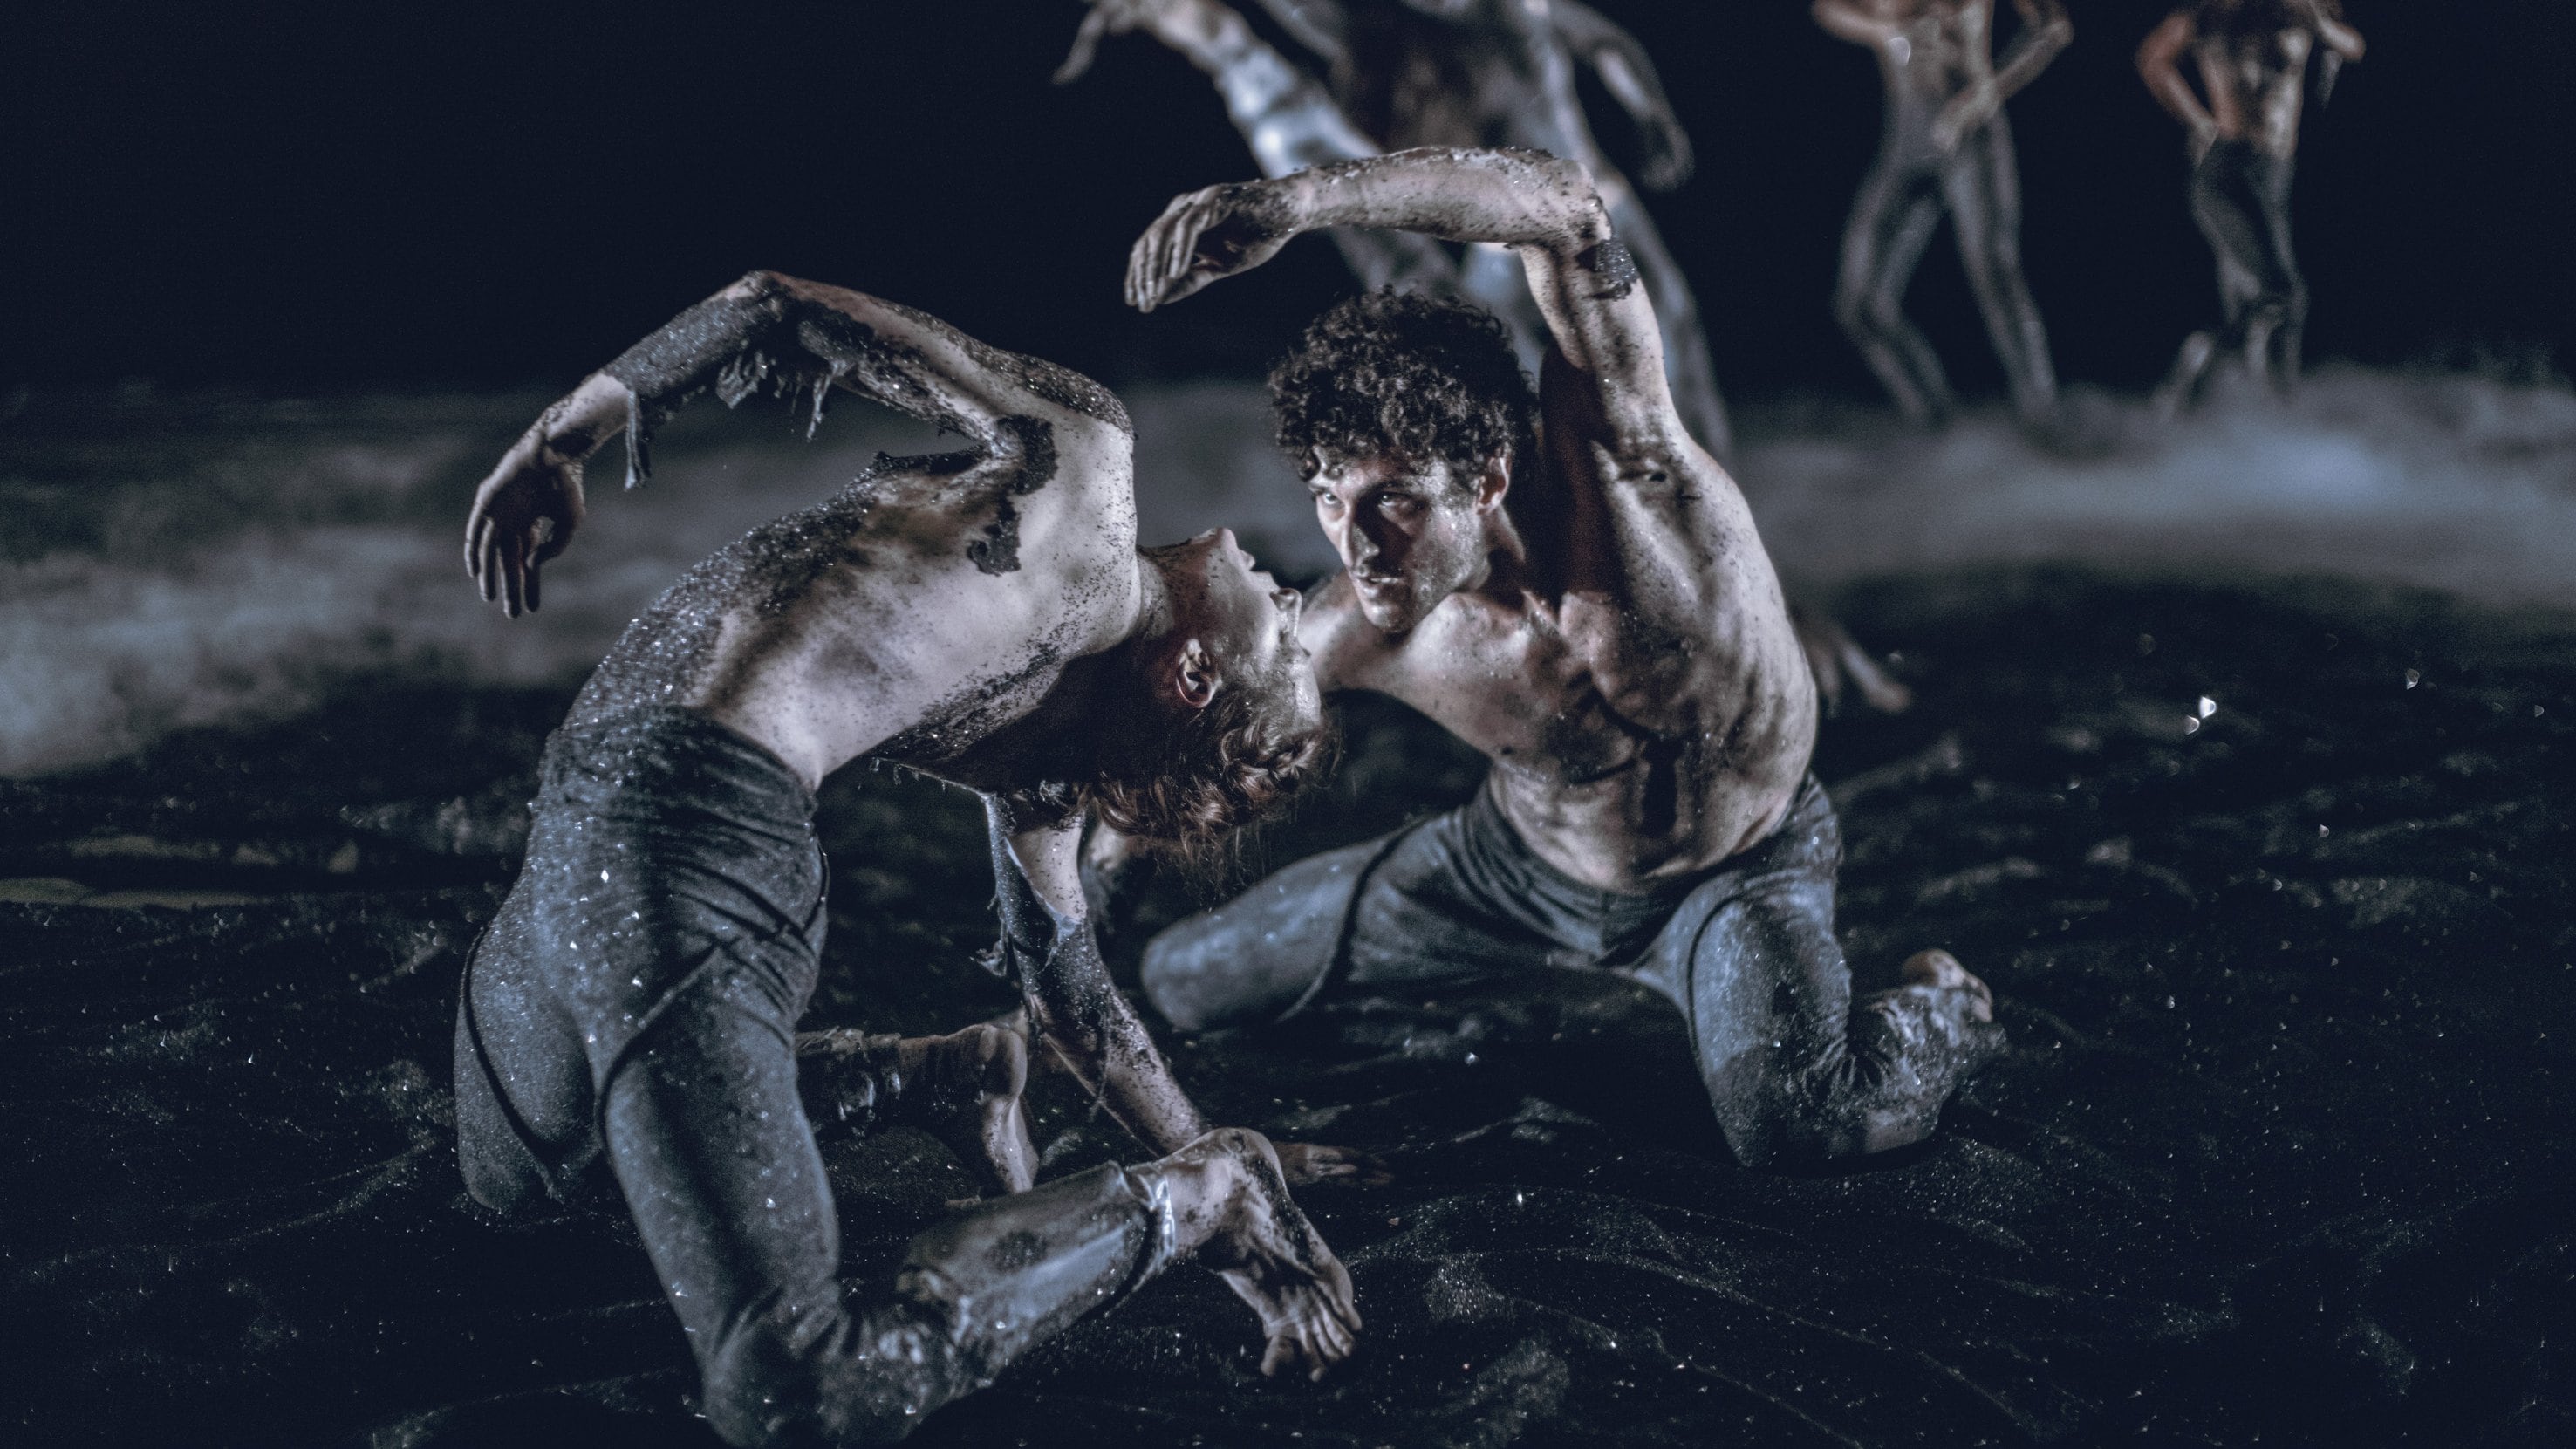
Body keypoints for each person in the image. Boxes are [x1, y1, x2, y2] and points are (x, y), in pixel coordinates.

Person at [451, 270, 1360, 1446]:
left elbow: (1079, 999)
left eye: (1285, 636)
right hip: (577, 820)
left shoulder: (1048, 728)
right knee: (530, 1194)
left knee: (790, 1386)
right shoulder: (1078, 466)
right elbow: (777, 304)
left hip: (689, 843)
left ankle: (1190, 1202)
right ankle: (933, 1075)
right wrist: (562, 439)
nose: (1289, 593)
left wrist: (1214, 1169)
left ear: (1196, 675)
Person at [1116, 147, 2005, 1170]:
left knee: (1798, 1123)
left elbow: (1566, 208)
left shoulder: (1629, 480)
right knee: (1183, 981)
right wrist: (1071, 944)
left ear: (1488, 477)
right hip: (1505, 873)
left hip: (1734, 871)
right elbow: (1155, 750)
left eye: (1394, 499)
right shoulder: (1361, 624)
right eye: (1329, 497)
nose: (1356, 543)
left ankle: (1947, 1008)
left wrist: (1300, 200)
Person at [1063, 0, 1731, 462]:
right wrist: (1199, 30)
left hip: (1589, 223)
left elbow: (1596, 36)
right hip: (1495, 257)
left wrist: (1648, 108)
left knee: (1659, 376)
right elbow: (1298, 114)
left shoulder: (1505, 36)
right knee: (1451, 312)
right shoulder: (1369, 68)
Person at [1814, 0, 2068, 430]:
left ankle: (2043, 414)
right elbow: (1828, 9)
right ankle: (1933, 418)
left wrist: (1986, 93)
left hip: (1969, 127)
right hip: (1907, 133)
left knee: (1994, 275)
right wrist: (1881, 30)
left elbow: (2053, 27)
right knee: (1859, 302)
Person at [2137, 0, 2364, 412]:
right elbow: (2152, 58)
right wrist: (2198, 121)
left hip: (2276, 173)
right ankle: (2256, 394)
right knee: (2284, 293)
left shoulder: (2299, 9)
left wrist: (2324, 30)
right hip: (2227, 173)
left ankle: (2216, 399)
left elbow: (2354, 46)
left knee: (2254, 306)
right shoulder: (2211, 13)